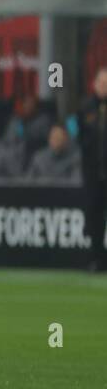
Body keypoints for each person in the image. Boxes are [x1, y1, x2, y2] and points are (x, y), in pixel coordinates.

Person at [78, 68, 107, 271]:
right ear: (94, 84)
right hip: (93, 173)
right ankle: (95, 258)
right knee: (94, 217)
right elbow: (78, 136)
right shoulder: (86, 107)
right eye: (102, 83)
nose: (104, 87)